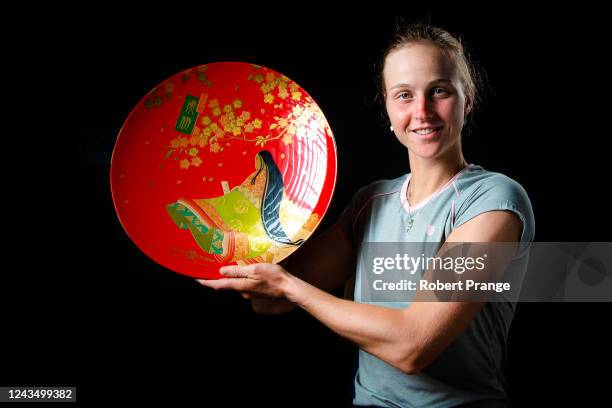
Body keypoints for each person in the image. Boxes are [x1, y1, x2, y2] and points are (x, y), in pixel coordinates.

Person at [198, 22, 535, 407]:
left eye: (439, 91)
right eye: (404, 95)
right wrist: (237, 217)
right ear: (388, 107)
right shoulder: (371, 201)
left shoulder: (494, 199)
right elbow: (270, 300)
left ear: (467, 99)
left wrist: (289, 287)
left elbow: (413, 346)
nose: (422, 111)